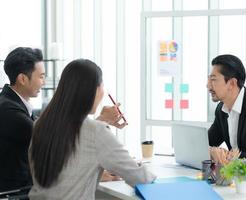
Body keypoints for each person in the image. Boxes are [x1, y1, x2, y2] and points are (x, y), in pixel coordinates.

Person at [28, 59, 156, 199]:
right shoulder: (96, 131)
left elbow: (68, 162)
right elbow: (140, 178)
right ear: (93, 90)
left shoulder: (40, 125)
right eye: (102, 86)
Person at [0, 47, 45, 192]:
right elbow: (47, 137)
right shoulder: (8, 109)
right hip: (13, 193)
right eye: (41, 76)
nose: (43, 82)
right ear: (23, 79)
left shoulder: (13, 103)